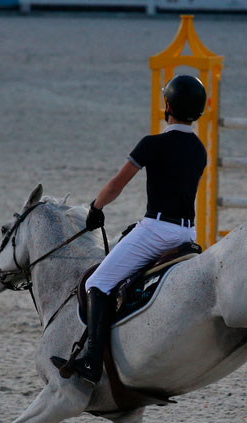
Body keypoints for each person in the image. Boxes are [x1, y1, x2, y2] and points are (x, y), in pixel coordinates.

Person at [52, 74, 208, 386]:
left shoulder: (152, 144)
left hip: (157, 231)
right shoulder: (200, 150)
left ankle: (92, 362)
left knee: (99, 282)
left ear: (167, 105)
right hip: (188, 235)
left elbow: (116, 185)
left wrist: (96, 208)